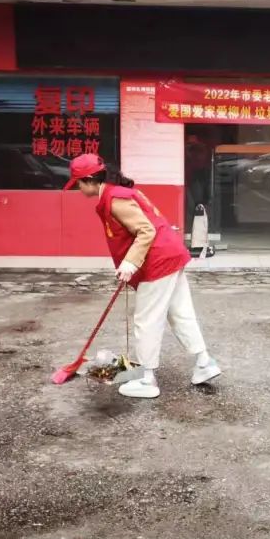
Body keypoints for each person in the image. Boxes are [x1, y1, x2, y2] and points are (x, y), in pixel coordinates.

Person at [66, 153, 221, 399]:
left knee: (146, 320)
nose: (78, 188)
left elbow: (145, 230)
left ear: (89, 180)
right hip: (170, 255)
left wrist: (130, 263)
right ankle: (204, 363)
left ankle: (147, 379)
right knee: (180, 312)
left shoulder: (115, 198)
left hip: (157, 261)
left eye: (78, 183)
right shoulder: (120, 193)